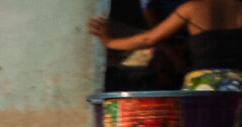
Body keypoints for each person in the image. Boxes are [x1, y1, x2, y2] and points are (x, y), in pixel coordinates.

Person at [92, 0, 242, 87]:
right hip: (237, 84)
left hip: (202, 85)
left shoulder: (191, 8)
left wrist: (110, 41)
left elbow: (148, 39)